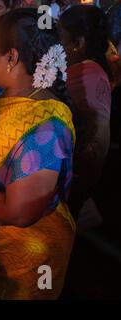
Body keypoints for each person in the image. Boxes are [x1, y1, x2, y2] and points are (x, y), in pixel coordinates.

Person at [0, 8, 76, 299]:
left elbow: (19, 212)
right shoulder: (2, 96)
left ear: (11, 58)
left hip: (27, 251)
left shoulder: (45, 128)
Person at [58, 5, 112, 217]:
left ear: (78, 43)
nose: (57, 44)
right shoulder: (96, 68)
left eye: (60, 37)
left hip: (77, 173)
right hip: (88, 171)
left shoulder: (82, 74)